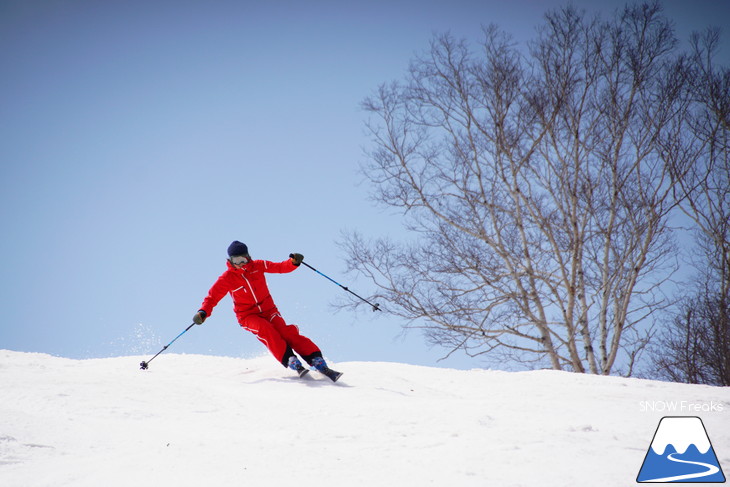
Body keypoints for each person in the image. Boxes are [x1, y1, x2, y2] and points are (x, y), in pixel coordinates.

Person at [192, 241, 341, 381]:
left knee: (286, 332)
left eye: (242, 260)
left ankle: (315, 358)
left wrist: (293, 263)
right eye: (236, 261)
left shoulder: (258, 265)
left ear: (248, 257)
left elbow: (280, 267)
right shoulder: (227, 278)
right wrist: (203, 312)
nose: (240, 264)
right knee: (266, 330)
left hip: (269, 310)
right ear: (230, 261)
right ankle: (290, 358)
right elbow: (212, 298)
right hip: (247, 316)